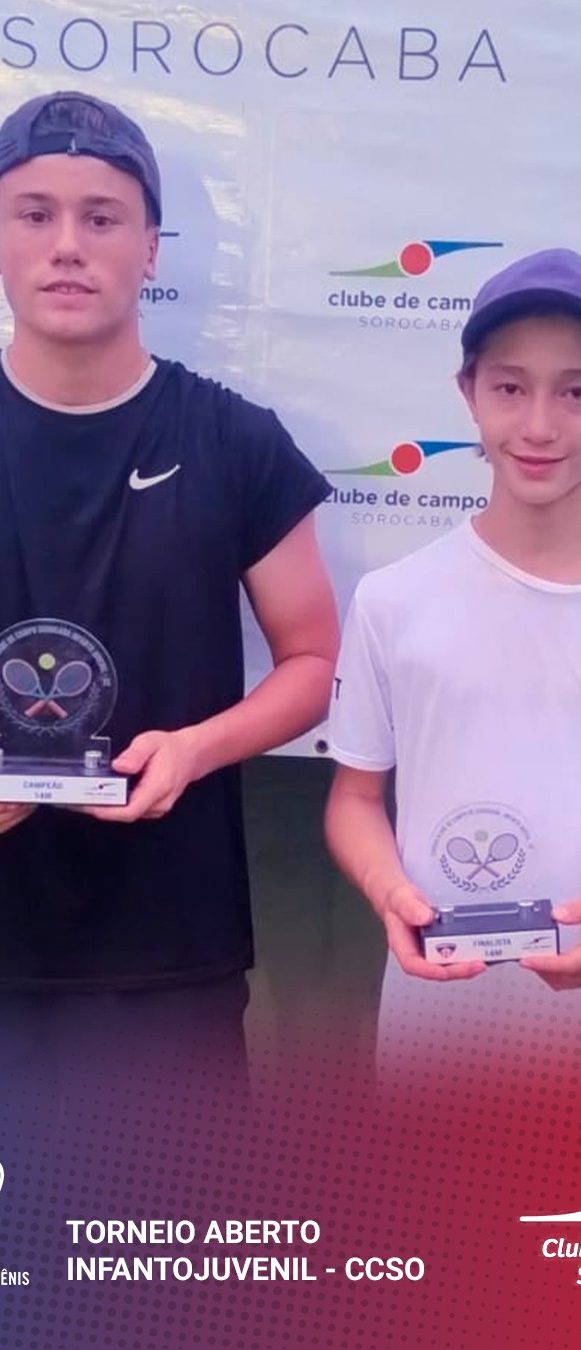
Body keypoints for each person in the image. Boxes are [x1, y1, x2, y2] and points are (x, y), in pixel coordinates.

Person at [0, 89, 338, 1087]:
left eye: (102, 218)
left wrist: (195, 749)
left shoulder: (234, 441)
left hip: (168, 956)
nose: (68, 246)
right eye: (35, 214)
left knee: (161, 1202)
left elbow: (312, 663)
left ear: (150, 248)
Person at [326, 247, 581, 1062]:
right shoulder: (393, 600)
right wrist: (388, 892)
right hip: (439, 1051)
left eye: (574, 392)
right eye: (509, 387)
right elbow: (354, 799)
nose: (538, 426)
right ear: (467, 393)